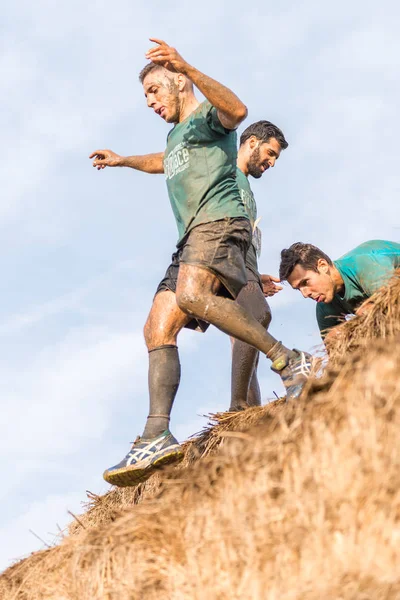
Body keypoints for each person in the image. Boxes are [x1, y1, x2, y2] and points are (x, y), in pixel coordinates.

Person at [90, 39, 312, 487]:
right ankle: (156, 433)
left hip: (218, 223)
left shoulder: (208, 120)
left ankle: (289, 361)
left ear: (179, 82)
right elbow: (163, 163)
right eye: (146, 96)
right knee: (157, 327)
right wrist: (123, 161)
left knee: (195, 297)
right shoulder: (176, 137)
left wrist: (188, 64)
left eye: (155, 90)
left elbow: (238, 110)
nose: (150, 102)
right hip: (190, 238)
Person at [229, 120, 287, 411]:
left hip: (244, 267)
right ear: (252, 142)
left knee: (244, 340)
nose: (272, 162)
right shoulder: (224, 171)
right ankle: (237, 406)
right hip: (228, 263)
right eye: (271, 153)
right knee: (258, 315)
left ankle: (248, 413)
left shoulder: (247, 191)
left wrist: (256, 274)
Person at [279, 240, 400, 340]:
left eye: (305, 282)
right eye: (298, 289)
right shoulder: (324, 306)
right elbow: (335, 356)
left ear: (323, 266)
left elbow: (394, 306)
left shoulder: (365, 266)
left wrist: (369, 313)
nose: (305, 294)